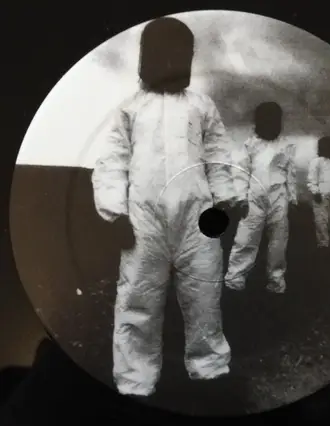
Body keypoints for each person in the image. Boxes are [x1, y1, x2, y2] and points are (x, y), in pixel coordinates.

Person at [91, 17, 246, 399]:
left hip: (197, 220)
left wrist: (227, 200)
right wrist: (114, 212)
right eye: (164, 54)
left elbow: (217, 155)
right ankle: (135, 381)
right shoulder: (131, 108)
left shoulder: (201, 106)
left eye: (181, 55)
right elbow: (112, 160)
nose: (172, 62)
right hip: (143, 222)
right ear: (147, 58)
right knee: (138, 299)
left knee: (204, 296)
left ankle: (210, 369)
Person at [224, 102, 298, 294]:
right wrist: (241, 198)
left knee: (278, 243)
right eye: (267, 121)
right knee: (246, 239)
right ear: (258, 122)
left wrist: (293, 198)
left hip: (279, 198)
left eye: (275, 121)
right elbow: (240, 173)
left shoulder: (287, 146)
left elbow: (291, 174)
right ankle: (235, 278)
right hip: (254, 199)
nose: (272, 125)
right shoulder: (250, 145)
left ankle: (276, 280)